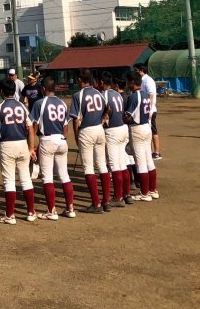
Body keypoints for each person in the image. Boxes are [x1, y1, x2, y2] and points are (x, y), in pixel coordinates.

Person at [0, 78, 37, 224]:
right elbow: (30, 128)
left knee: (9, 181)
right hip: (23, 144)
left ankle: (10, 215)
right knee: (26, 179)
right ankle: (31, 212)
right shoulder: (22, 106)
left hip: (7, 145)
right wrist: (31, 148)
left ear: (1, 91)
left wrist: (0, 130)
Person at [29, 77, 76, 220]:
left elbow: (34, 126)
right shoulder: (62, 103)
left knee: (47, 177)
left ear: (43, 88)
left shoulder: (39, 103)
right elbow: (66, 129)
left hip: (47, 140)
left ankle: (51, 211)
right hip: (61, 140)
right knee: (64, 175)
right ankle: (70, 208)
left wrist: (33, 146)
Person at [69, 69, 110, 214]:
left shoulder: (78, 95)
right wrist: (102, 118)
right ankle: (106, 201)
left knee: (88, 168)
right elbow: (108, 108)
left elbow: (75, 119)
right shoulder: (99, 93)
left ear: (80, 79)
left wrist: (76, 136)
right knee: (102, 165)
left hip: (86, 130)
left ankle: (96, 203)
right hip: (99, 129)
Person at [124, 73, 159, 202]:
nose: (127, 84)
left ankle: (145, 193)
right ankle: (152, 190)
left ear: (133, 82)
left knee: (140, 162)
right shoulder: (144, 94)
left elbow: (128, 116)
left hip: (137, 128)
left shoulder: (133, 96)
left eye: (128, 82)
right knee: (149, 160)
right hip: (146, 127)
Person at [99, 72, 132, 207]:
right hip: (123, 128)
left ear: (102, 82)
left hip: (112, 130)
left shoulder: (104, 95)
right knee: (122, 163)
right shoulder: (117, 94)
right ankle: (127, 194)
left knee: (114, 165)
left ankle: (118, 197)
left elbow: (104, 112)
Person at [134, 64, 161, 160]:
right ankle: (150, 151)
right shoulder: (141, 80)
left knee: (153, 131)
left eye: (136, 70)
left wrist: (149, 110)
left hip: (150, 110)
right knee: (148, 131)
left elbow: (151, 96)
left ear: (141, 71)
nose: (135, 72)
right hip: (145, 109)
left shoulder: (148, 80)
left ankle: (157, 152)